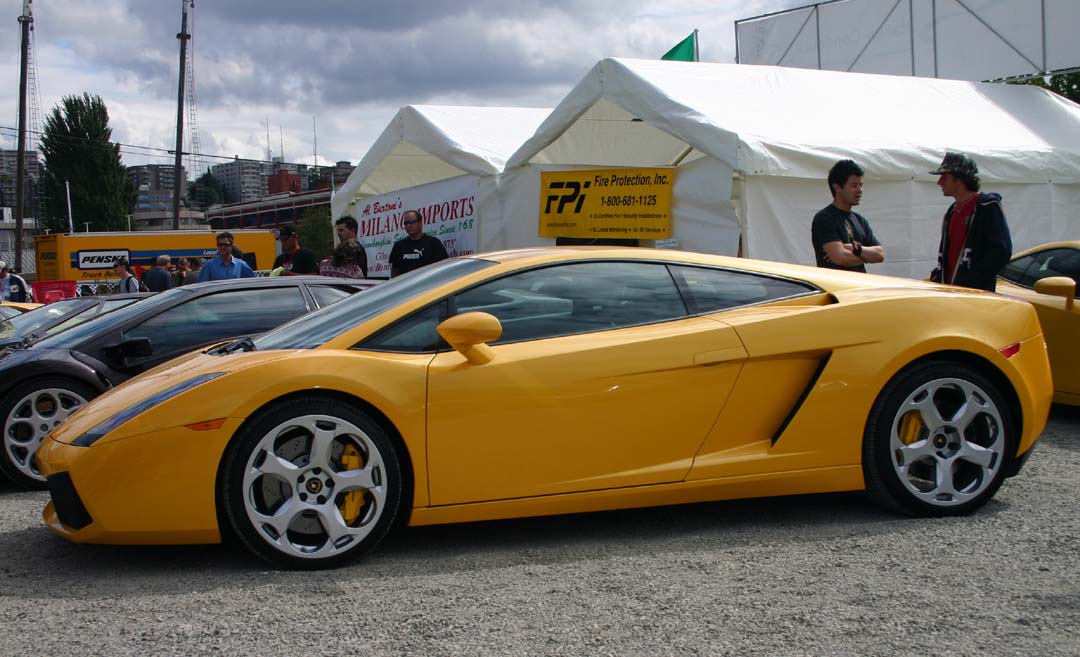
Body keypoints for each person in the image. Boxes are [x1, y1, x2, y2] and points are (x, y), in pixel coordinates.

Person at [929, 152, 1012, 291]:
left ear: (958, 178)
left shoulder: (987, 206)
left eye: (944, 177)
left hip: (974, 295)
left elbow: (1001, 252)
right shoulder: (952, 211)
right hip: (952, 293)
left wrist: (972, 282)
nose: (939, 182)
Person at [811, 159, 884, 272]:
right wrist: (867, 257)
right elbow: (841, 258)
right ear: (837, 187)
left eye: (861, 185)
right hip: (836, 282)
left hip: (860, 282)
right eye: (854, 185)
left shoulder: (860, 220)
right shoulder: (824, 218)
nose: (859, 190)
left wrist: (854, 248)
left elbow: (880, 255)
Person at [389, 210, 449, 277]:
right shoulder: (398, 246)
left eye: (411, 222)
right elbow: (395, 271)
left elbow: (443, 266)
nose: (408, 225)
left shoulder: (433, 243)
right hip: (407, 283)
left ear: (420, 223)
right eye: (406, 223)